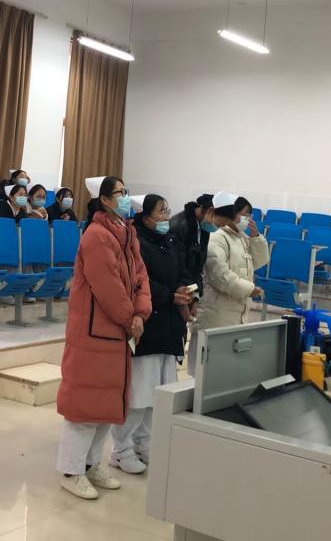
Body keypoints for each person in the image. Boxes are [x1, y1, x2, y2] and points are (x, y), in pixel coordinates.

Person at [56, 176, 151, 500]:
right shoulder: (96, 236)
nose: (126, 198)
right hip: (94, 332)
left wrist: (140, 313)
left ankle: (92, 463)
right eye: (120, 193)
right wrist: (130, 318)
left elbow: (141, 278)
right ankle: (71, 471)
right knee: (84, 407)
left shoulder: (127, 233)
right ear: (106, 200)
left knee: (106, 404)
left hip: (118, 331)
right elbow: (107, 286)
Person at [110, 194, 193, 475]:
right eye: (161, 211)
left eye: (167, 210)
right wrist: (169, 295)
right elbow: (138, 283)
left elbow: (183, 270)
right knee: (139, 395)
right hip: (148, 327)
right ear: (145, 218)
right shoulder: (136, 244)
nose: (167, 216)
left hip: (170, 326)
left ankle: (144, 444)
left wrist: (185, 291)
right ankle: (121, 450)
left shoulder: (170, 240)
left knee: (158, 395)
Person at [188, 192, 269, 374]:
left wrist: (256, 237)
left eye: (249, 215)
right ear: (232, 213)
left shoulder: (240, 237)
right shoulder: (217, 236)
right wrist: (249, 289)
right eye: (244, 214)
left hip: (234, 314)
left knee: (224, 374)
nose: (248, 219)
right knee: (204, 374)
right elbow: (219, 274)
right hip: (215, 315)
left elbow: (259, 261)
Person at [169, 193, 215, 296]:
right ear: (210, 211)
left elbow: (196, 268)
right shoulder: (179, 226)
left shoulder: (203, 226)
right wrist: (188, 296)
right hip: (179, 293)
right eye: (217, 218)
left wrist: (195, 294)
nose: (218, 224)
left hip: (189, 291)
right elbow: (179, 269)